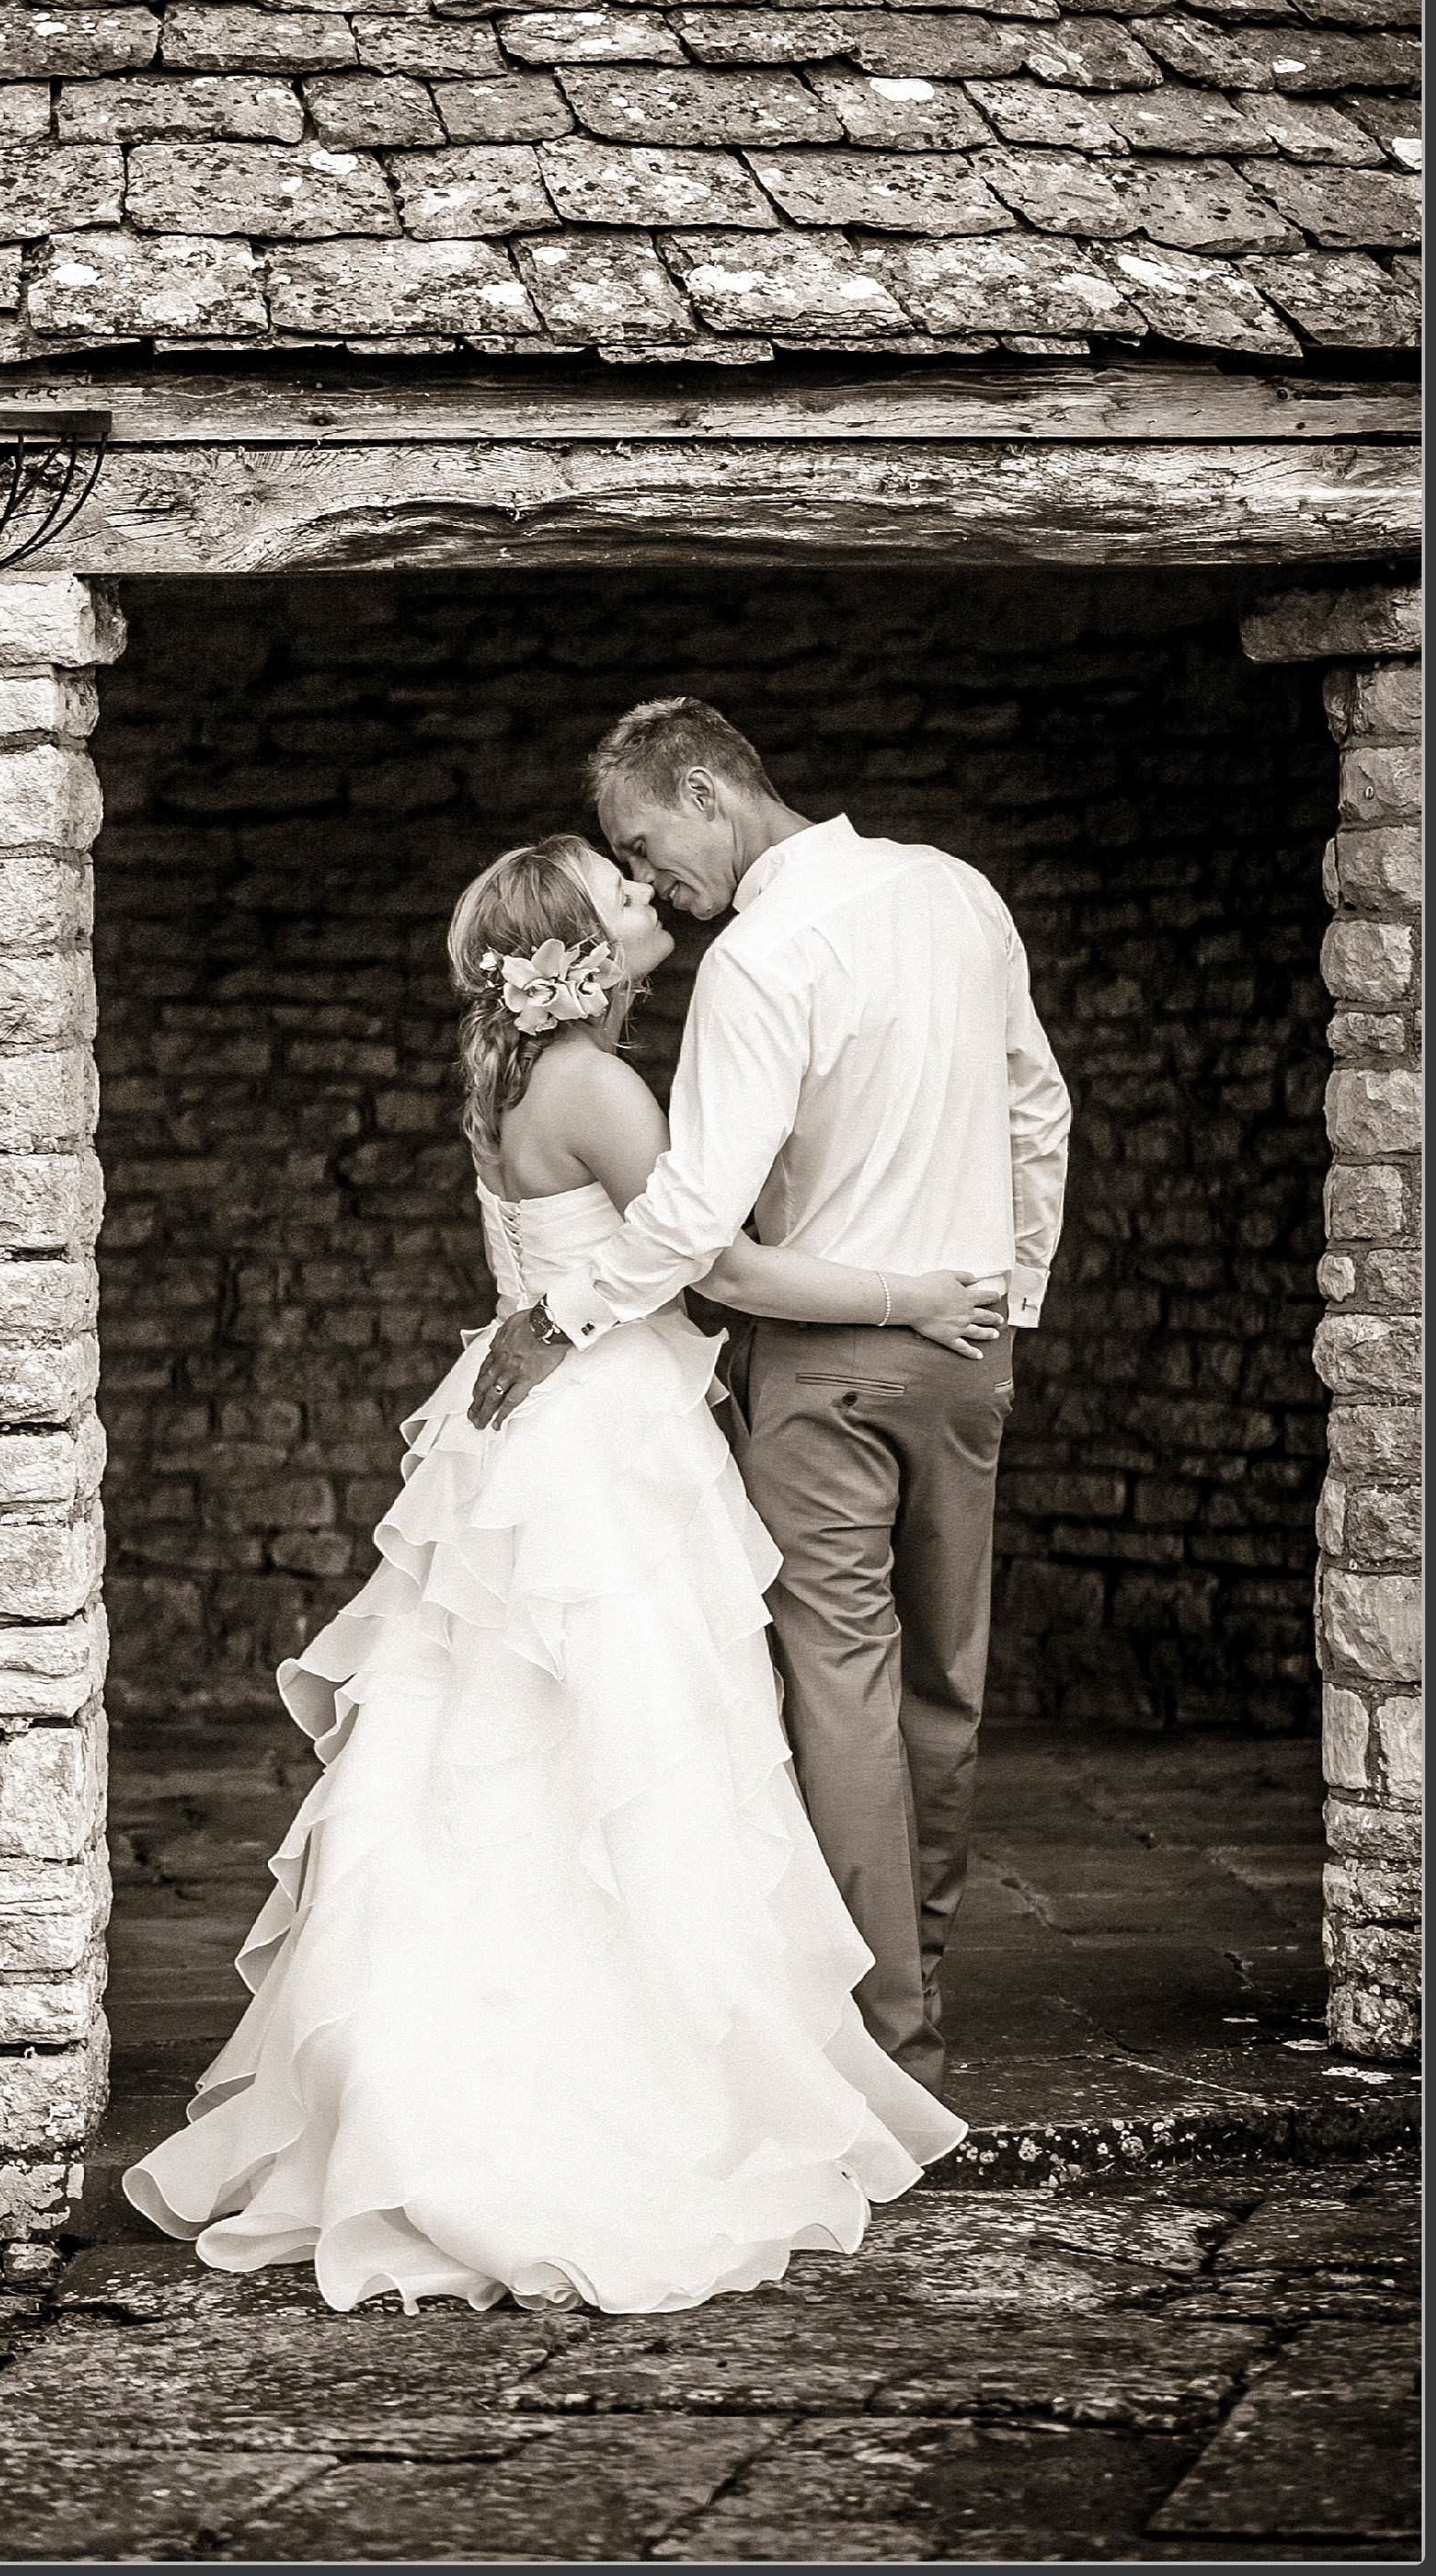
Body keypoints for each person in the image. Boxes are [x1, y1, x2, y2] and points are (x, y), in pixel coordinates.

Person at [124, 828, 1004, 2315]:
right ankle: (611, 2093)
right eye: (620, 892)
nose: (647, 899)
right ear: (573, 955)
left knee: (509, 1756)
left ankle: (455, 2071)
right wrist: (908, 1289)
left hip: (536, 1422)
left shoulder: (523, 1078)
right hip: (604, 1442)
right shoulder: (593, 1084)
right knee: (633, 1753)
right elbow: (710, 1264)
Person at [470, 701, 1072, 2098]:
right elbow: (1037, 1105)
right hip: (968, 1348)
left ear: (704, 789)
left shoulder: (763, 952)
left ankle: (889, 2045)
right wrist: (1010, 1298)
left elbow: (692, 1215)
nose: (654, 877)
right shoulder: (958, 893)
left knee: (840, 1694)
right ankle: (921, 1991)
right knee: (945, 1685)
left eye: (643, 842)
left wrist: (557, 1316)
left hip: (825, 1372)